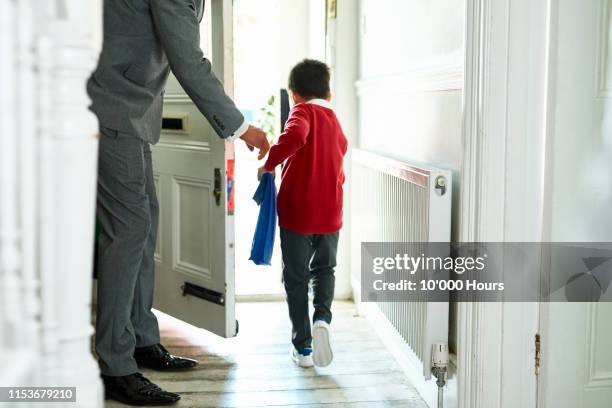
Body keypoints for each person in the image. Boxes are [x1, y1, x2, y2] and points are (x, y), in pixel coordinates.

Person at [87, 0, 269, 405]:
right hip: (114, 106)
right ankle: (114, 365)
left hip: (131, 110)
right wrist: (241, 127)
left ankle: (140, 340)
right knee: (130, 229)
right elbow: (188, 59)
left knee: (143, 221)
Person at [258, 59, 348, 368]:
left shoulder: (302, 112)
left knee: (296, 278)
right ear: (329, 93)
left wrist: (269, 163)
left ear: (294, 94)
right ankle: (322, 317)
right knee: (325, 269)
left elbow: (295, 136)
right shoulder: (333, 118)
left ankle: (304, 347)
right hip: (331, 211)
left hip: (299, 211)